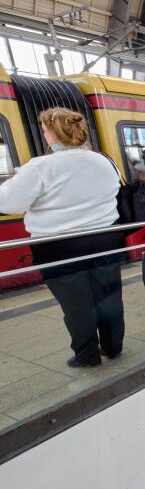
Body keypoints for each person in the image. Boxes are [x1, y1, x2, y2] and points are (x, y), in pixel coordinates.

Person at [0, 107, 123, 367]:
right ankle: (113, 347)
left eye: (44, 131)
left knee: (77, 305)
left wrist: (13, 182)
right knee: (109, 297)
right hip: (105, 240)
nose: (44, 136)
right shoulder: (104, 160)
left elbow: (9, 203)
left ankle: (87, 355)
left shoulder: (40, 166)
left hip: (60, 247)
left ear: (52, 134)